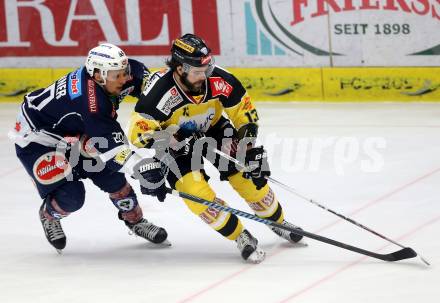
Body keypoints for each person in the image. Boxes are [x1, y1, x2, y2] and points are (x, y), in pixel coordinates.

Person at [127, 33, 303, 264]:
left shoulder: (219, 78)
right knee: (197, 195)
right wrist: (172, 139)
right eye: (198, 72)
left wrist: (248, 148)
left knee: (249, 178)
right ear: (180, 69)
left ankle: (277, 221)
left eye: (208, 68)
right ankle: (240, 235)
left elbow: (244, 113)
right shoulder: (159, 92)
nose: (206, 75)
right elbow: (138, 133)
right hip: (176, 145)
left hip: (215, 129)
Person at [9, 43, 169, 253]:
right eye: (116, 76)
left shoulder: (123, 74)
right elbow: (116, 152)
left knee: (114, 179)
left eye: (124, 72)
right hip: (38, 142)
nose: (124, 79)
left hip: (78, 133)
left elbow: (156, 93)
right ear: (97, 75)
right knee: (72, 197)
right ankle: (49, 214)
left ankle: (135, 221)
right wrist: (142, 169)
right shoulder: (90, 103)